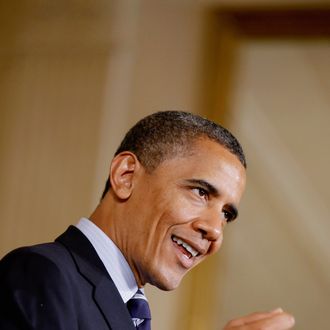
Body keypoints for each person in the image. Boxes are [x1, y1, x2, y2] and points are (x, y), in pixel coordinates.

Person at [0, 111, 295, 329]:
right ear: (126, 176)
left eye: (226, 214)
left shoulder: (127, 309)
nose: (215, 230)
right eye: (201, 192)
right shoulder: (43, 275)